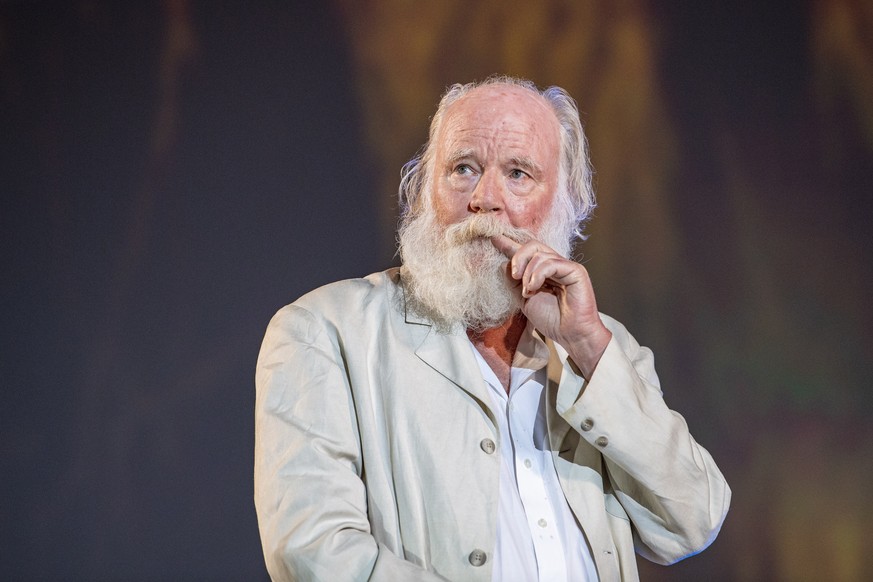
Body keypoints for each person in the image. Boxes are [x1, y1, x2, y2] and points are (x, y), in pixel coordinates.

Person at [254, 76, 730, 581]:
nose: (485, 199)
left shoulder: (601, 348)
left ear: (564, 201)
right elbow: (313, 553)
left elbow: (692, 522)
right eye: (463, 169)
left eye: (519, 174)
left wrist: (589, 348)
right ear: (422, 192)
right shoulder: (325, 332)